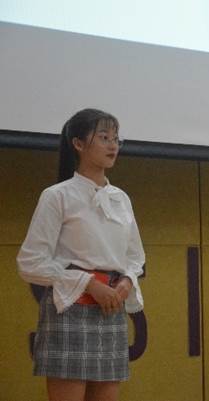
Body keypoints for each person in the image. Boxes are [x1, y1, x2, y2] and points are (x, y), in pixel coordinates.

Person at [17, 108, 145, 401]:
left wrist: (127, 281)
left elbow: (135, 256)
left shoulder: (121, 198)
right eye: (104, 137)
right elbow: (30, 262)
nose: (113, 145)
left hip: (111, 309)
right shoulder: (57, 195)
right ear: (78, 143)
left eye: (116, 138)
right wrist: (88, 283)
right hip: (69, 308)